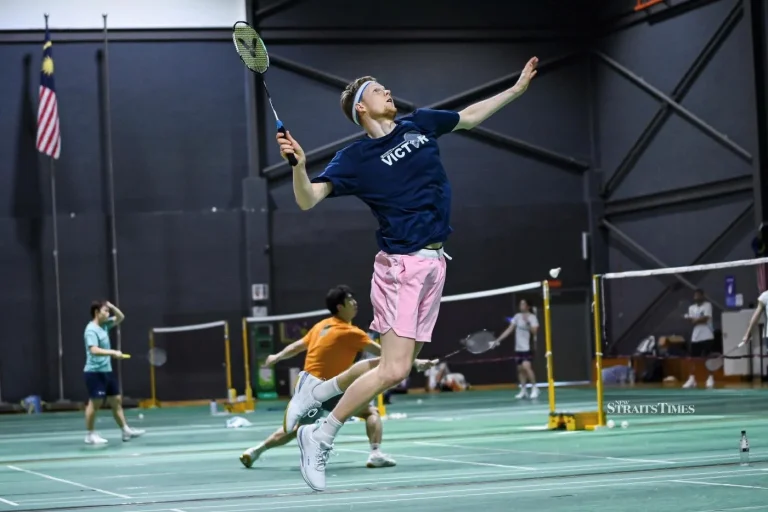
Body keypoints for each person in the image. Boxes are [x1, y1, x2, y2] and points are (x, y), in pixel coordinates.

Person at [276, 56, 539, 491]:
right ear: (361, 108)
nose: (387, 91)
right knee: (395, 370)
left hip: (435, 263)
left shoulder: (419, 124)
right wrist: (299, 166)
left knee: (394, 365)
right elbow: (308, 199)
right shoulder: (355, 158)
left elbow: (470, 116)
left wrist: (515, 90)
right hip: (402, 266)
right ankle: (320, 434)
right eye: (377, 89)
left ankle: (318, 391)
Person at [240, 285, 434, 469]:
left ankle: (256, 451)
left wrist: (277, 356)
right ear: (340, 307)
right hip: (329, 389)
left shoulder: (321, 326)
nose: (355, 303)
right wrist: (415, 362)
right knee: (370, 413)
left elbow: (297, 346)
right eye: (350, 300)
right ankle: (375, 454)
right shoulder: (350, 332)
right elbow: (385, 353)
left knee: (297, 427)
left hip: (306, 388)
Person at [83, 300, 145, 444]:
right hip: (94, 373)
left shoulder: (105, 325)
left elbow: (121, 317)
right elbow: (94, 350)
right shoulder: (91, 330)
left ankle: (125, 430)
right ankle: (90, 434)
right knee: (95, 404)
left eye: (108, 311)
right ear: (96, 312)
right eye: (105, 311)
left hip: (107, 371)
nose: (108, 313)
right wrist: (113, 352)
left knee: (116, 401)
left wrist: (111, 306)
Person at [493, 299, 540, 399]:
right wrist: (498, 340)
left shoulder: (532, 317)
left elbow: (535, 331)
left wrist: (527, 323)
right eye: (520, 304)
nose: (521, 305)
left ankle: (535, 388)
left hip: (528, 347)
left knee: (526, 367)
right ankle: (523, 390)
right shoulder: (517, 316)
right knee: (520, 370)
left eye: (523, 304)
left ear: (528, 306)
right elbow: (509, 329)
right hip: (518, 347)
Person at [682, 289, 715, 389]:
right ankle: (692, 379)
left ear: (702, 296)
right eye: (695, 295)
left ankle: (710, 378)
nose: (696, 297)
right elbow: (691, 321)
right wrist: (696, 319)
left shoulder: (708, 305)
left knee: (708, 358)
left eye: (698, 295)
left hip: (707, 335)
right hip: (696, 337)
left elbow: (705, 319)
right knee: (693, 359)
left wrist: (695, 319)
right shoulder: (691, 308)